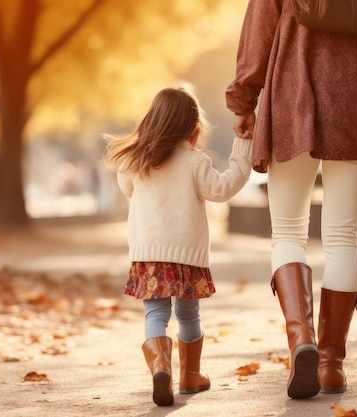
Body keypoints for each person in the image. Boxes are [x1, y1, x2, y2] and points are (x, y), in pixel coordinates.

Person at [226, 0, 357, 399]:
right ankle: (331, 364)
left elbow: (259, 32)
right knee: (342, 237)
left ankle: (302, 341)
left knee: (286, 232)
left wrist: (243, 100)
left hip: (290, 99)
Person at [104, 82, 253, 406]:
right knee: (188, 315)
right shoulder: (194, 162)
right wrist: (243, 149)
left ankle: (160, 366)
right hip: (186, 255)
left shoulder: (134, 161)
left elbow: (128, 188)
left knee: (155, 314)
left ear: (152, 121)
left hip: (148, 254)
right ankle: (189, 375)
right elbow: (222, 189)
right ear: (193, 127)